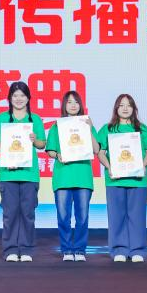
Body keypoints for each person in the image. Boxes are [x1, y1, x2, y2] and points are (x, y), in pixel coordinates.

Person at [0, 81, 46, 262]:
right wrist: (6, 157)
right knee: (10, 214)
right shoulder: (2, 118)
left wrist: (35, 139)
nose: (19, 99)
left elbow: (42, 145)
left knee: (28, 214)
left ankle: (27, 249)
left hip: (29, 174)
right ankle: (10, 250)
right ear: (10, 98)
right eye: (15, 95)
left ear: (28, 98)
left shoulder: (35, 119)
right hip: (8, 173)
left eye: (22, 95)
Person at [97, 94, 147, 263]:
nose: (125, 108)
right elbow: (100, 152)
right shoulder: (108, 128)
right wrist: (109, 167)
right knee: (116, 216)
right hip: (115, 179)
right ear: (116, 108)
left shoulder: (141, 129)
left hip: (137, 179)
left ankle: (137, 250)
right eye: (121, 105)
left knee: (137, 216)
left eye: (129, 105)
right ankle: (119, 249)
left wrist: (142, 165)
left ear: (134, 109)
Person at [45, 91, 100, 262]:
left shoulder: (87, 123)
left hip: (83, 177)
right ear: (64, 105)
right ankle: (67, 249)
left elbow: (96, 149)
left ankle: (80, 250)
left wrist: (89, 128)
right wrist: (57, 155)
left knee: (82, 217)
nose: (73, 105)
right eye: (69, 102)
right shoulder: (57, 126)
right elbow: (50, 150)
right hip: (63, 177)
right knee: (63, 217)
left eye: (76, 102)